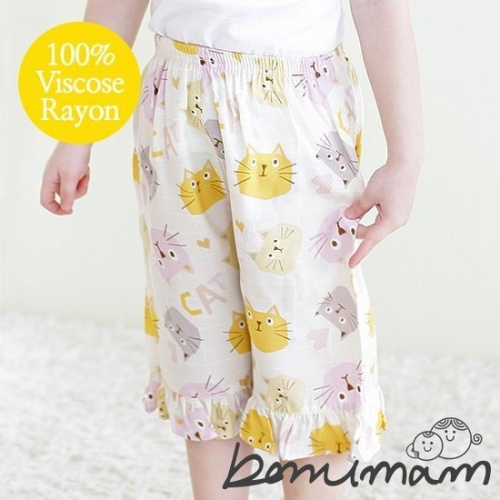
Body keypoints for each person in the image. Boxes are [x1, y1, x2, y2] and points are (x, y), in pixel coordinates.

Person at [40, 0, 424, 498]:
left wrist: (406, 158)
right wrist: (76, 130)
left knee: (311, 344)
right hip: (178, 108)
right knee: (204, 342)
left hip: (296, 112)